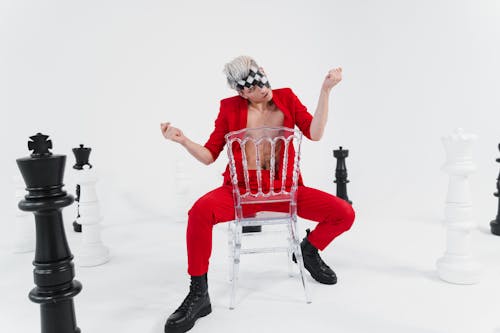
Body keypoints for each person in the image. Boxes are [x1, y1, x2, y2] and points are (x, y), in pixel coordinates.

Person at [160, 56, 355, 333]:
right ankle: (198, 293)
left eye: (260, 81)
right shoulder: (229, 108)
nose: (260, 90)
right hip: (242, 191)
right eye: (250, 88)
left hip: (286, 190)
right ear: (240, 92)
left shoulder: (286, 98)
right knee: (199, 212)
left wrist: (325, 90)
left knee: (344, 213)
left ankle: (308, 251)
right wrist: (182, 140)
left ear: (264, 72)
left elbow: (315, 133)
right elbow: (208, 156)